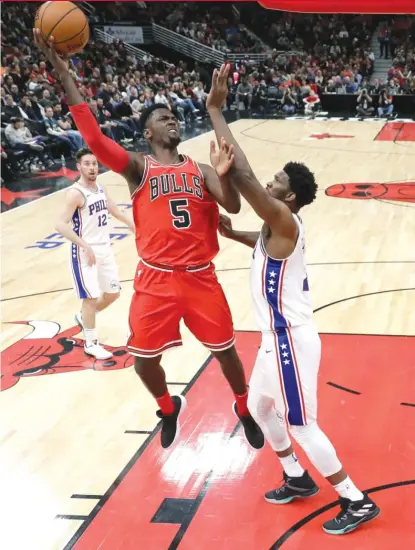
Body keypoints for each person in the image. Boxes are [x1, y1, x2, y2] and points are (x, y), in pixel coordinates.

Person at [34, 31, 264, 451]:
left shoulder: (200, 168)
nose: (172, 119)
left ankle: (243, 407)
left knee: (227, 354)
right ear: (147, 134)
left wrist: (225, 172)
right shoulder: (138, 168)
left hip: (200, 278)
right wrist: (64, 73)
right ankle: (168, 406)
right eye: (162, 118)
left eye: (174, 116)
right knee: (143, 362)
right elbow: (95, 140)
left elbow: (232, 207)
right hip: (155, 279)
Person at [206, 64, 380, 536]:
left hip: (290, 341)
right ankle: (298, 477)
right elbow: (260, 241)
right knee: (262, 409)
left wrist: (217, 112)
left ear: (291, 196)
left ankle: (356, 500)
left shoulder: (284, 217)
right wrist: (232, 232)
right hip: (271, 339)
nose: (270, 180)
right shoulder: (271, 228)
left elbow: (241, 175)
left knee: (303, 425)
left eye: (278, 179)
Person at [55, 148, 134, 360]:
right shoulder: (75, 193)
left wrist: (133, 225)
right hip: (83, 251)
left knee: (113, 293)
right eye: (87, 164)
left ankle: (84, 318)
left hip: (104, 247)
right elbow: (60, 225)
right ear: (79, 166)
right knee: (90, 298)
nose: (92, 168)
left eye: (95, 164)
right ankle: (91, 342)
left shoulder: (100, 188)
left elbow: (115, 210)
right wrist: (84, 245)